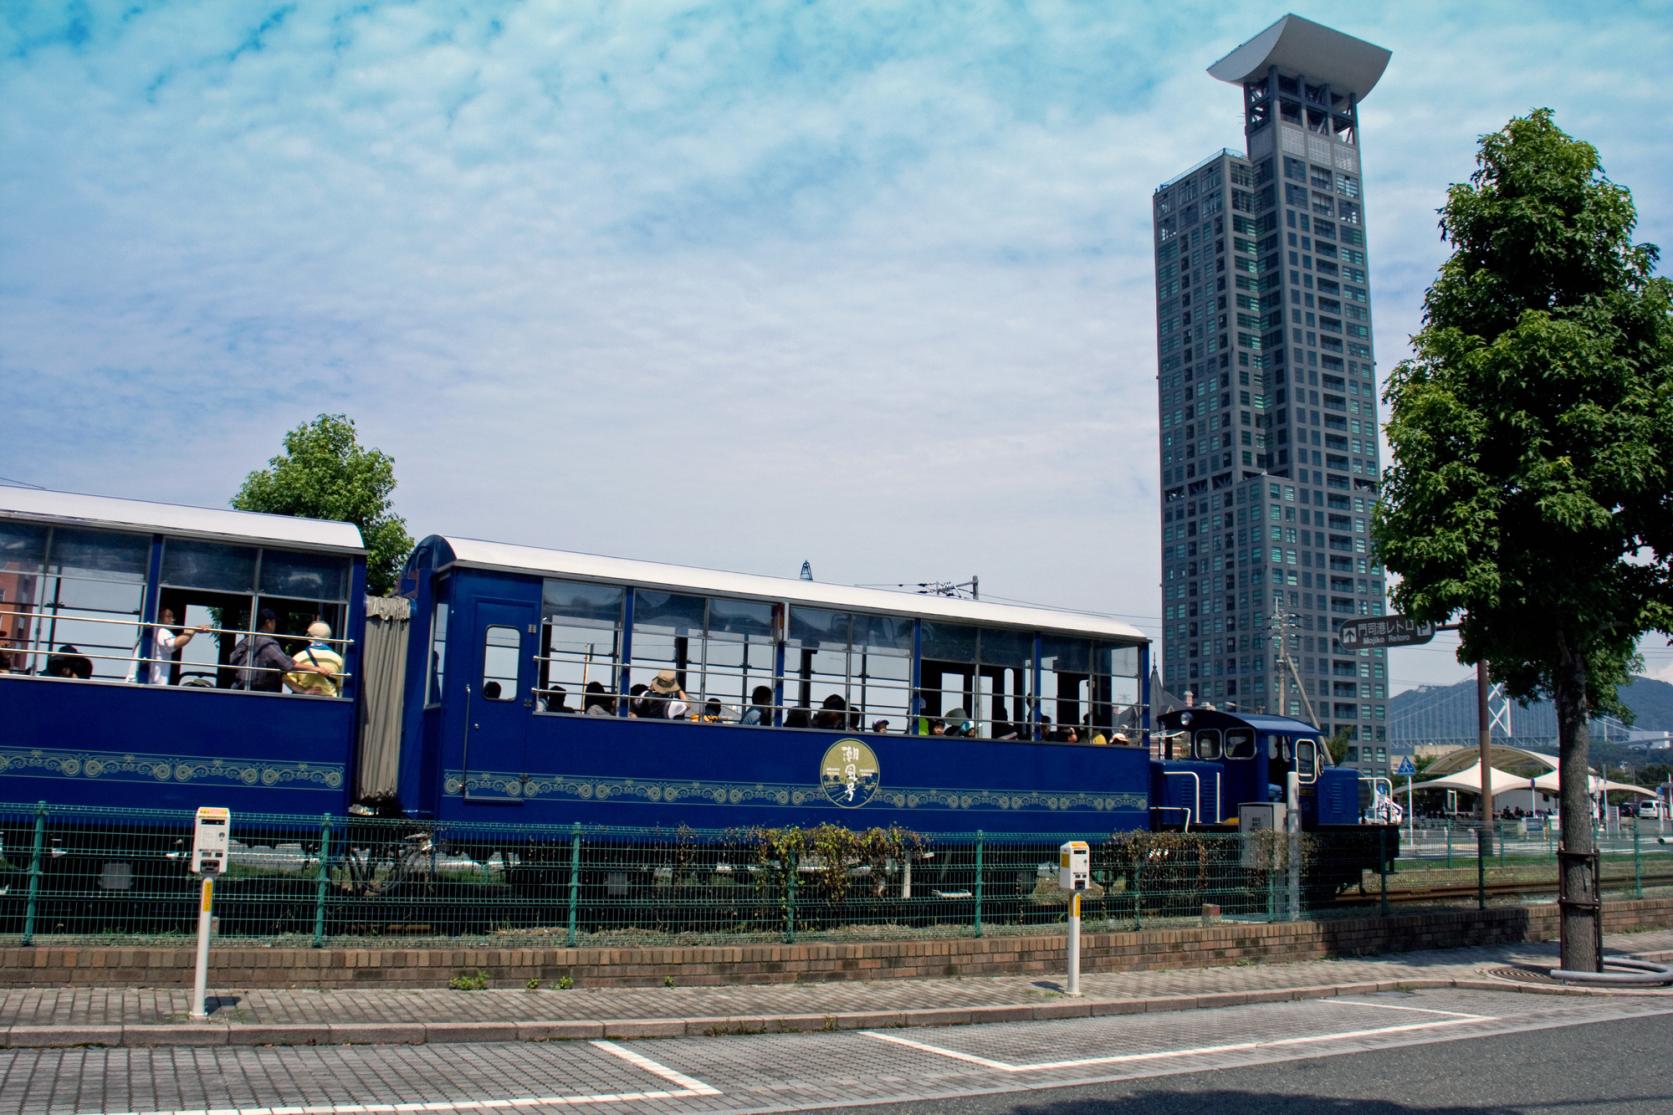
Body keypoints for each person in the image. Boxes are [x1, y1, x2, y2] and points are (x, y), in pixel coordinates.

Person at [131, 606, 209, 685]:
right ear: (159, 618)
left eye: (173, 616)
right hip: (151, 684)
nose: (173, 619)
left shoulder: (144, 635)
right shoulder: (160, 631)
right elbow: (173, 644)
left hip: (136, 681)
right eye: (168, 616)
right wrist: (193, 630)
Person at [230, 608, 292, 693]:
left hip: (237, 689)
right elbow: (287, 664)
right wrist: (313, 668)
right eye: (274, 622)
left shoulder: (244, 641)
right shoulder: (268, 643)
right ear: (268, 623)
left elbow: (232, 660)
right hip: (261, 691)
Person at [286, 621, 345, 696]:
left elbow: (288, 679)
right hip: (330, 702)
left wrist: (303, 691)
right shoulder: (337, 659)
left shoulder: (299, 657)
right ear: (328, 639)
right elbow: (341, 684)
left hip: (303, 700)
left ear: (309, 637)